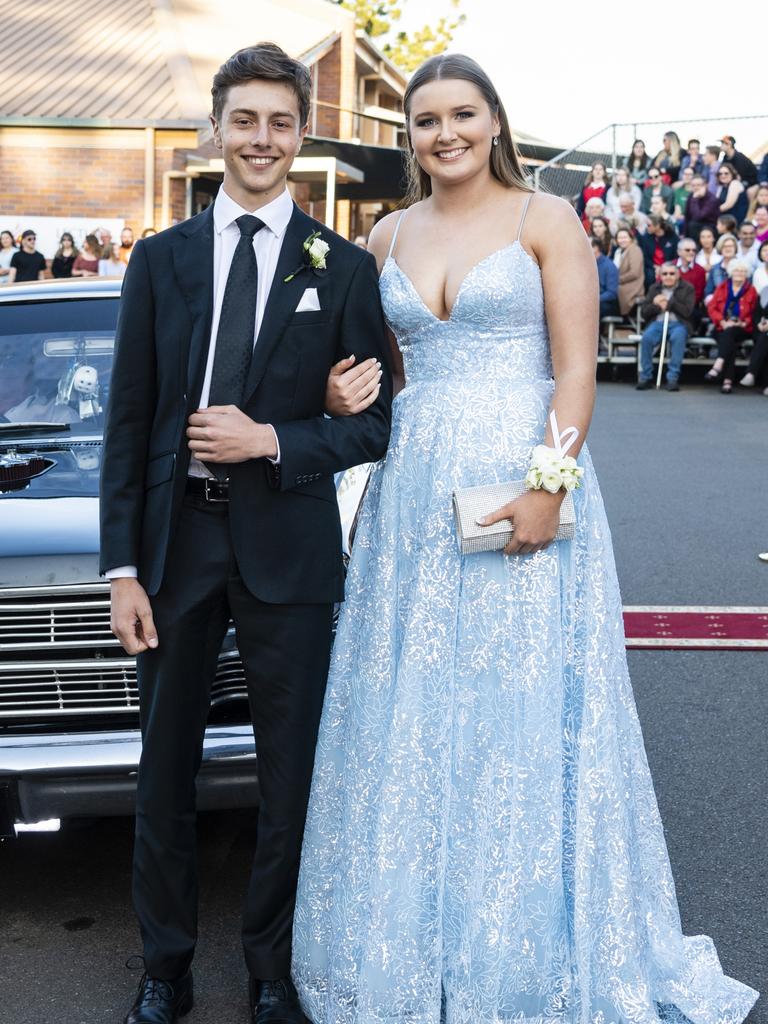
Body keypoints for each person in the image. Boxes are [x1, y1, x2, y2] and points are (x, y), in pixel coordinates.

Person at [292, 51, 758, 1024]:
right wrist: (338, 393)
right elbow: (375, 377)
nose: (445, 133)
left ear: (494, 121)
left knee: (522, 707)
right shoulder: (382, 235)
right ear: (409, 135)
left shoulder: (546, 220)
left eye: (463, 114)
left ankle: (523, 942)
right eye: (425, 120)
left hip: (527, 487)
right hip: (413, 497)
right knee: (413, 708)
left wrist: (547, 487)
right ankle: (412, 941)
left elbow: (577, 375)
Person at [100, 42, 393, 1024]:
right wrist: (122, 568)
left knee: (289, 779)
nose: (261, 138)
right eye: (245, 119)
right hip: (177, 547)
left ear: (300, 135)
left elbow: (375, 423)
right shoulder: (158, 260)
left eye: (279, 121)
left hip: (291, 556)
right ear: (216, 128)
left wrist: (275, 436)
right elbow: (128, 420)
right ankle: (165, 966)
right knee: (164, 772)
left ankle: (273, 968)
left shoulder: (340, 266)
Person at [636, 262, 696, 391]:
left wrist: (668, 303)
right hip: (657, 322)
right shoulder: (654, 288)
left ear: (678, 275)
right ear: (660, 276)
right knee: (646, 338)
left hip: (678, 324)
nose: (668, 276)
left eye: (672, 273)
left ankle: (672, 378)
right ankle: (645, 376)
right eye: (665, 274)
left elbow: (687, 311)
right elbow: (644, 312)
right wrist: (657, 306)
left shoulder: (688, 288)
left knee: (678, 337)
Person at [705, 260, 758, 392]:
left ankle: (718, 365)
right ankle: (727, 381)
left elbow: (754, 312)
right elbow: (712, 308)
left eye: (742, 271)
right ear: (731, 272)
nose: (739, 273)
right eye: (736, 270)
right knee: (729, 341)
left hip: (742, 327)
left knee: (730, 334)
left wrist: (743, 322)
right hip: (721, 326)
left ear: (747, 274)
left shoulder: (751, 290)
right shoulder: (722, 287)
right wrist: (722, 321)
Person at [738, 243, 768, 390]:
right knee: (764, 337)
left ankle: (751, 373)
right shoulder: (763, 287)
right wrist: (758, 324)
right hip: (762, 325)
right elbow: (757, 310)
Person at [638, 215, 679, 287]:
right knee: (649, 276)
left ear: (658, 226)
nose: (647, 228)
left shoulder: (672, 236)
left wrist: (665, 267)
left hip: (669, 265)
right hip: (652, 267)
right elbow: (644, 256)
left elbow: (676, 255)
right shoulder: (645, 237)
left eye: (649, 225)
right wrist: (655, 267)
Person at [613, 224, 645, 316]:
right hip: (621, 284)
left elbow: (634, 273)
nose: (622, 240)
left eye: (625, 237)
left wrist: (616, 280)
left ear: (631, 238)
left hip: (631, 287)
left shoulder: (635, 250)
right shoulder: (618, 252)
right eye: (620, 238)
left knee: (610, 293)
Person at [683, 173, 721, 241]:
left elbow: (699, 216)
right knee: (690, 224)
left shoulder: (711, 199)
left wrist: (695, 200)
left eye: (698, 185)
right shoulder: (691, 196)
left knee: (693, 225)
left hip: (710, 226)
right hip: (695, 226)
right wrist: (685, 236)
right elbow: (687, 216)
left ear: (705, 185)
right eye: (693, 185)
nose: (695, 187)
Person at [705, 233, 739, 302]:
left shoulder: (743, 267)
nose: (728, 248)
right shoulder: (714, 269)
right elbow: (708, 292)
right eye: (724, 246)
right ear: (720, 248)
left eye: (730, 246)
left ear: (735, 248)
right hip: (719, 305)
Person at [592, 236, 619, 316]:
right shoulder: (585, 265)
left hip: (607, 303)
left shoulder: (609, 266)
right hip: (591, 300)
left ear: (596, 248)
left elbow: (612, 293)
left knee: (591, 309)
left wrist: (594, 299)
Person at [576, 161, 609, 225]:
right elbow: (581, 204)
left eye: (600, 169)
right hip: (586, 218)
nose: (598, 171)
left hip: (601, 219)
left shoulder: (608, 187)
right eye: (596, 169)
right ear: (592, 172)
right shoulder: (586, 186)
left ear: (604, 172)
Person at [675, 237, 706, 304]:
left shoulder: (700, 270)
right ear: (679, 252)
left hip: (690, 307)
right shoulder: (669, 266)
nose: (691, 252)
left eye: (694, 250)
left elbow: (698, 294)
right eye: (687, 250)